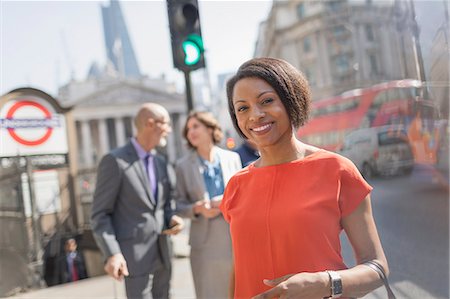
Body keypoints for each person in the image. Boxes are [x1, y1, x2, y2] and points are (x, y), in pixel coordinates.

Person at [221, 57, 389, 298]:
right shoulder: (236, 185)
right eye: (242, 108)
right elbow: (239, 266)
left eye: (266, 101)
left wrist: (325, 282)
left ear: (291, 100)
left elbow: (377, 266)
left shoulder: (338, 169)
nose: (255, 115)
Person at [91, 103, 184, 299]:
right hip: (132, 259)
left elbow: (165, 206)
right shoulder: (114, 161)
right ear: (151, 124)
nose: (169, 129)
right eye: (165, 124)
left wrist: (173, 218)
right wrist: (112, 253)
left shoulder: (161, 162)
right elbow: (100, 214)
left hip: (163, 253)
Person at [174, 111, 242, 299]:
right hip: (203, 244)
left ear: (210, 128)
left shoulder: (232, 158)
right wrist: (197, 208)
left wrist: (225, 200)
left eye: (195, 126)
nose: (191, 132)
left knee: (238, 291)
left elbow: (243, 195)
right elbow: (178, 205)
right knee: (208, 293)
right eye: (188, 129)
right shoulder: (182, 166)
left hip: (233, 238)